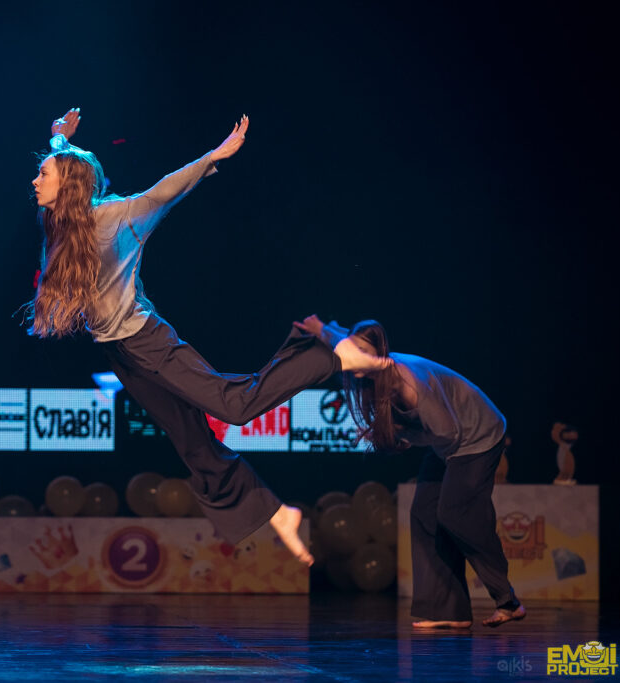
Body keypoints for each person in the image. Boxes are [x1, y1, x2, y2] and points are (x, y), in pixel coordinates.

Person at [26, 109, 390, 566]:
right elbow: (71, 169)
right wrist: (58, 140)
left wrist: (213, 156)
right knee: (192, 442)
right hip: (120, 353)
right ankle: (276, 513)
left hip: (146, 341)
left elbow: (163, 191)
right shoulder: (63, 219)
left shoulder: (117, 217)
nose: (35, 180)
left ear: (68, 185)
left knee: (233, 406)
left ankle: (332, 357)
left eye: (43, 174)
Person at [295, 314, 524, 628]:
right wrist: (320, 329)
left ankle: (508, 601)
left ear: (378, 355)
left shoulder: (406, 383)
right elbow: (343, 341)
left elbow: (448, 433)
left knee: (456, 515)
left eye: (362, 353)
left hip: (476, 435)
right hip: (447, 443)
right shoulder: (363, 362)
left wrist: (403, 435)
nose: (354, 357)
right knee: (424, 514)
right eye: (352, 350)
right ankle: (447, 612)